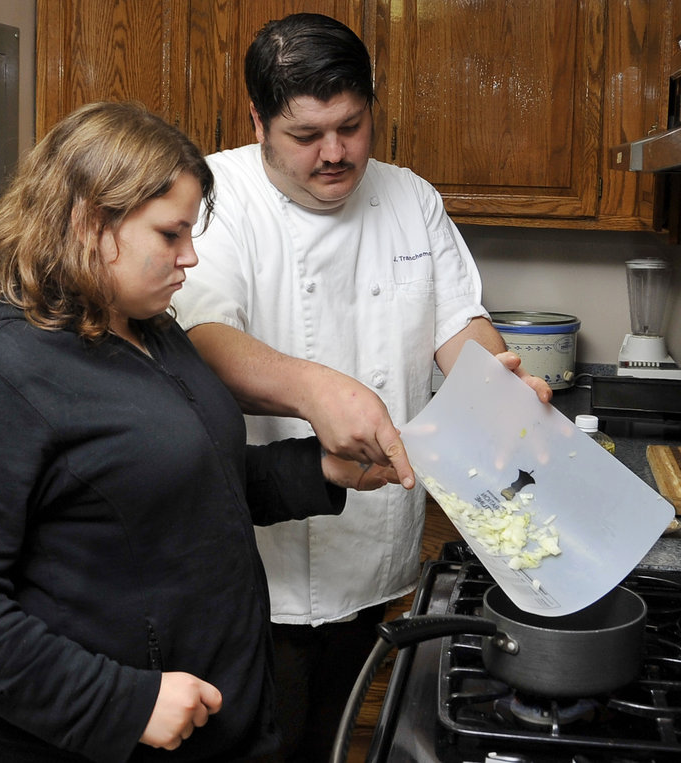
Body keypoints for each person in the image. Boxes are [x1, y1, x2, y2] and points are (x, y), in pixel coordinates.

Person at [0, 101, 397, 763]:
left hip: (223, 717)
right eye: (170, 235)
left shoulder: (149, 327)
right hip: (105, 740)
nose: (190, 257)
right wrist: (122, 701)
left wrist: (320, 470)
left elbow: (192, 479)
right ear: (86, 222)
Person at [170, 13, 553, 761]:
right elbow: (203, 341)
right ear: (257, 120)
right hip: (261, 566)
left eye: (351, 125)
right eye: (307, 135)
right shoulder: (217, 197)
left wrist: (499, 380)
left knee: (345, 741)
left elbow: (457, 322)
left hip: (379, 547)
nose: (336, 153)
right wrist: (317, 389)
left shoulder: (410, 197)